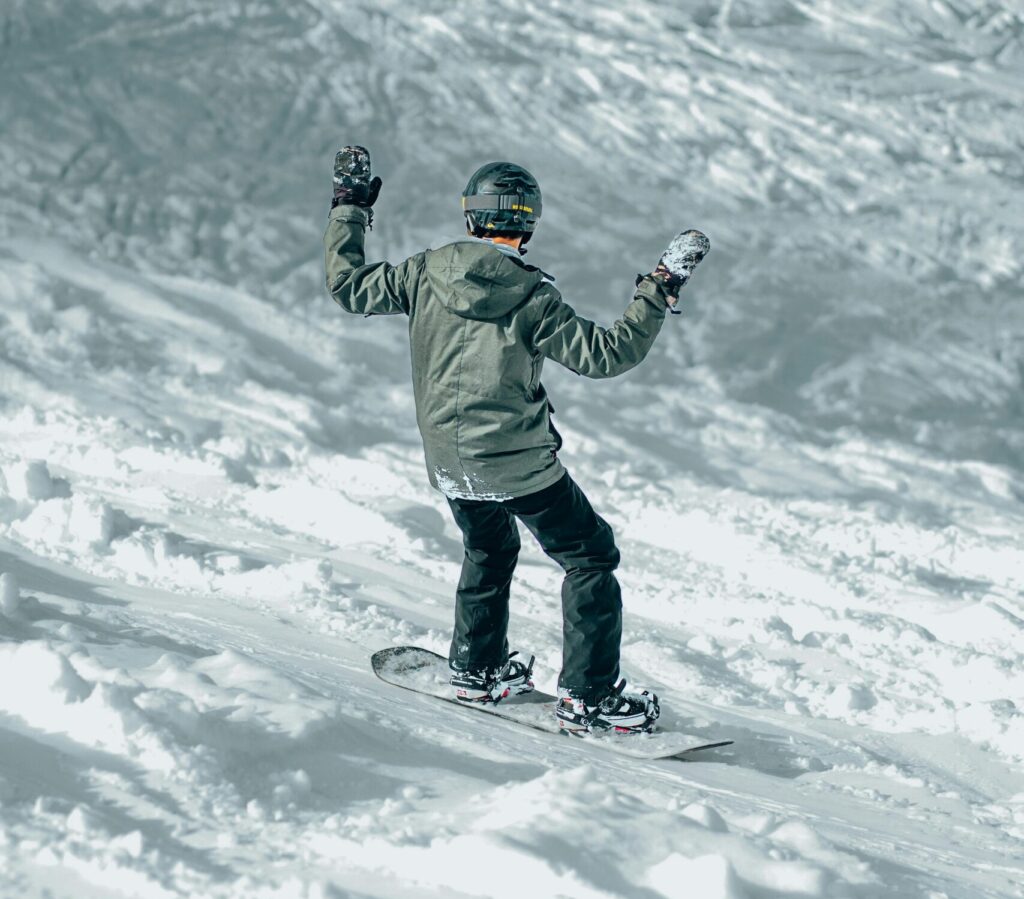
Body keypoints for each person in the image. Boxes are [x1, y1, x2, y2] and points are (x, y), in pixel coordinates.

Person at [324, 150, 695, 733]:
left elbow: (347, 287)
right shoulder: (531, 297)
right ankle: (589, 697)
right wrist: (659, 287)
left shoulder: (424, 272)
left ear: (470, 217)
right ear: (528, 223)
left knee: (490, 549)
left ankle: (477, 668)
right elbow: (607, 355)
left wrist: (349, 208)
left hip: (449, 459)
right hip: (517, 463)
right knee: (590, 555)